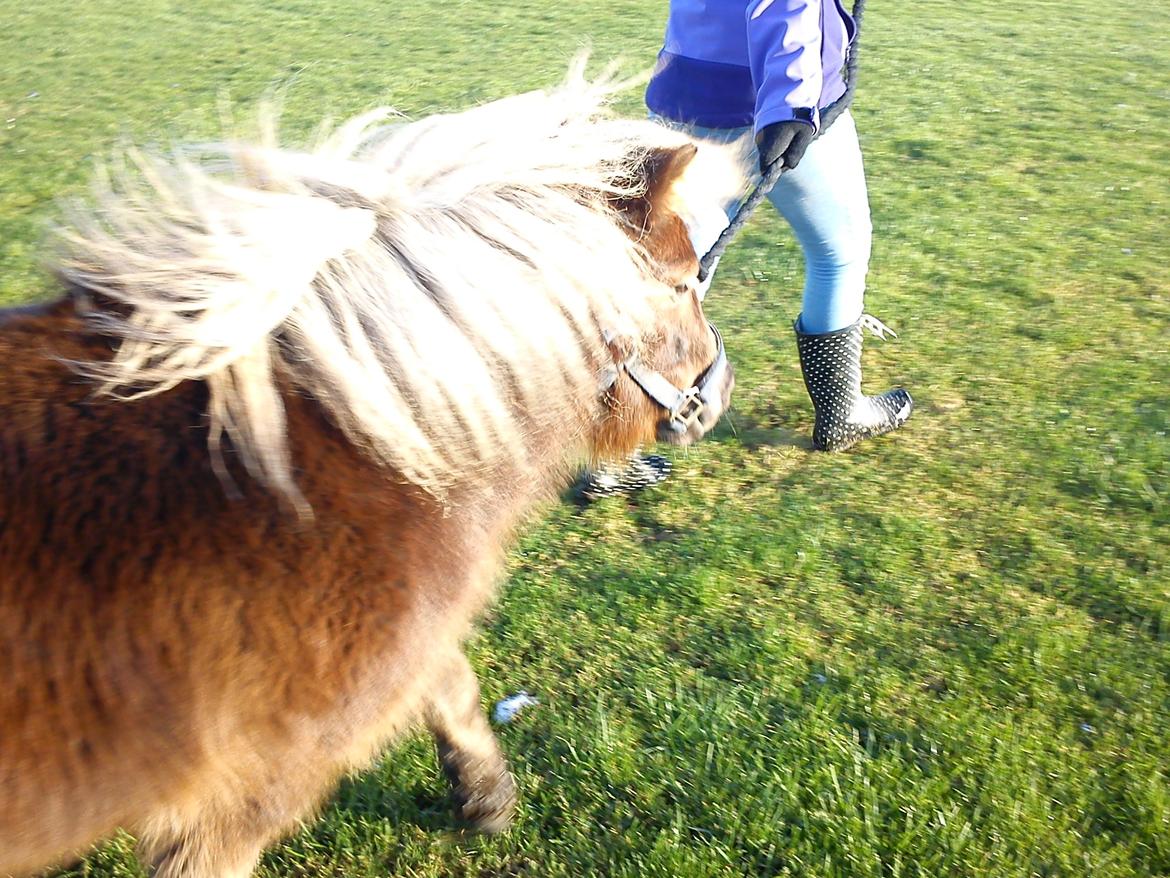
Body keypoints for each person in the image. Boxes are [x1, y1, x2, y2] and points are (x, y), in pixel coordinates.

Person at [577, 0, 911, 500]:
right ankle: (841, 412)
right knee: (839, 250)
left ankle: (612, 452)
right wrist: (793, 102)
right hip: (770, 95)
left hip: (688, 86)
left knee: (662, 277)